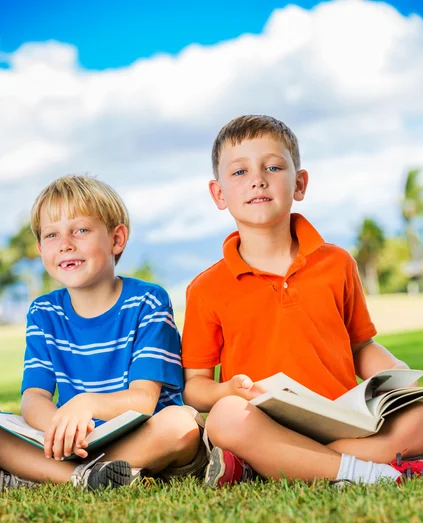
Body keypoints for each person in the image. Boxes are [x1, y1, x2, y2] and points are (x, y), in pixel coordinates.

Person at [182, 114, 423, 488]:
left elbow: (362, 346)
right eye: (240, 172)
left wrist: (402, 379)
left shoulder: (337, 263)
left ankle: (277, 465)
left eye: (273, 166)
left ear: (299, 183)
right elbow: (195, 386)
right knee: (224, 417)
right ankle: (365, 471)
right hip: (262, 421)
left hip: (342, 417)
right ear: (218, 194)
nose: (258, 178)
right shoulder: (206, 287)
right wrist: (225, 391)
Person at [0, 175, 206, 491]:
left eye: (80, 230)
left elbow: (144, 400)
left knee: (181, 426)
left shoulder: (147, 301)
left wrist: (86, 404)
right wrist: (60, 428)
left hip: (145, 434)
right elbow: (34, 397)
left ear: (117, 238)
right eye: (52, 234)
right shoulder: (43, 313)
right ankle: (83, 478)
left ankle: (46, 475)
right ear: (41, 249)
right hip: (77, 440)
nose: (65, 243)